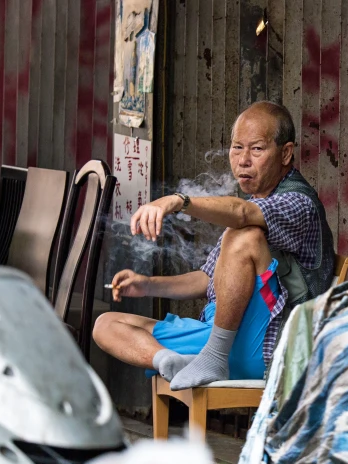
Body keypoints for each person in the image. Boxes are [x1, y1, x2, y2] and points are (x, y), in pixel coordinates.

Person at [93, 101, 335, 391]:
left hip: (270, 346)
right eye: (237, 148)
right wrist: (147, 284)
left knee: (242, 235)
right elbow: (208, 280)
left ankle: (213, 357)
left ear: (285, 153)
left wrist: (177, 200)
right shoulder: (251, 207)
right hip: (219, 337)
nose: (243, 160)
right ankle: (172, 361)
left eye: (257, 149)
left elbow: (243, 215)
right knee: (106, 325)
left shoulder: (299, 203)